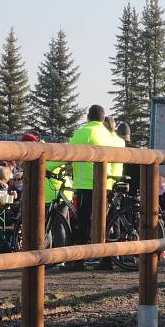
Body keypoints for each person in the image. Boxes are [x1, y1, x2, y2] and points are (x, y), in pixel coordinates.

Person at [61, 105, 117, 271]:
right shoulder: (109, 135)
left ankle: (79, 260)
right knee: (103, 221)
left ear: (88, 117)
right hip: (107, 184)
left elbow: (65, 153)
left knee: (83, 221)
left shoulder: (84, 132)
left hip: (87, 184)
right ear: (102, 118)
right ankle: (107, 259)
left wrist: (48, 167)